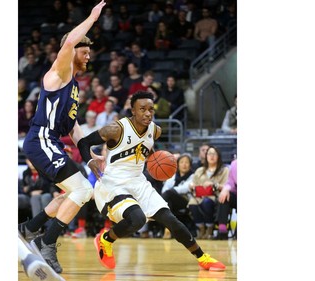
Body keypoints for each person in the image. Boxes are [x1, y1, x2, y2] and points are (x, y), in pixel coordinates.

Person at [77, 91, 226, 271]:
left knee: (171, 221)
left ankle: (203, 257)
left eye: (151, 110)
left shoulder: (155, 130)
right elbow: (83, 143)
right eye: (142, 109)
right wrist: (90, 160)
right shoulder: (116, 129)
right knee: (137, 218)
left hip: (138, 182)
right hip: (114, 183)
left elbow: (148, 152)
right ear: (132, 110)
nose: (148, 113)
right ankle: (105, 240)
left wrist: (162, 161)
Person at [20, 0, 107, 274]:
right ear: (71, 51)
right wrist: (92, 18)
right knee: (83, 190)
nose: (88, 55)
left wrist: (89, 156)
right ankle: (47, 243)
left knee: (74, 193)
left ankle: (28, 229)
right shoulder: (59, 72)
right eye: (85, 50)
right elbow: (69, 40)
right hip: (41, 141)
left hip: (51, 144)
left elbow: (73, 127)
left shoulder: (74, 87)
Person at [188, 146, 229, 240]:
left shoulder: (224, 170)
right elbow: (192, 184)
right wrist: (191, 185)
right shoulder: (199, 170)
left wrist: (214, 184)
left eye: (214, 154)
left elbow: (227, 186)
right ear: (206, 156)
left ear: (218, 156)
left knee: (207, 202)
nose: (212, 156)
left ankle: (210, 228)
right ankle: (201, 228)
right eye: (209, 153)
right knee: (192, 203)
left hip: (216, 197)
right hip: (199, 196)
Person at [161, 153, 196, 239]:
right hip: (172, 201)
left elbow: (186, 188)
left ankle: (168, 227)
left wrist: (172, 191)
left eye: (186, 162)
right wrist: (170, 192)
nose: (184, 164)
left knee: (168, 195)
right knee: (168, 199)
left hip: (185, 201)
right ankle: (168, 228)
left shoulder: (193, 176)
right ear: (178, 164)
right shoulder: (173, 175)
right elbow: (163, 190)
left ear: (190, 165)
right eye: (182, 162)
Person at [215, 158, 237, 240]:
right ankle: (222, 229)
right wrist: (225, 189)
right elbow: (230, 183)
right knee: (223, 196)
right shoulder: (235, 164)